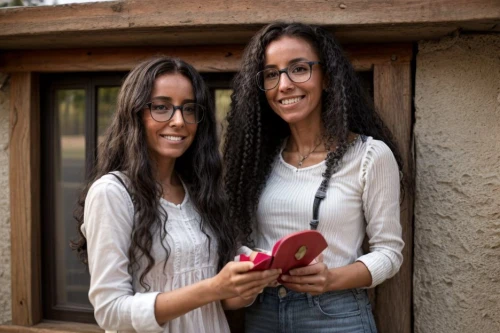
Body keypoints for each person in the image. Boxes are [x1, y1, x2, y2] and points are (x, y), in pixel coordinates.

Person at [72, 57, 280, 333]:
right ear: (134, 114)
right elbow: (111, 312)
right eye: (161, 107)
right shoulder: (113, 193)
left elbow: (225, 301)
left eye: (189, 109)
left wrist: (255, 278)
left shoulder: (200, 191)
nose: (179, 121)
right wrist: (213, 287)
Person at [223, 22, 405, 332]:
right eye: (271, 74)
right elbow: (241, 241)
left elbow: (389, 253)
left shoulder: (369, 155)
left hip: (337, 314)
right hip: (263, 314)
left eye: (299, 69)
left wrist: (332, 279)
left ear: (329, 79)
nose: (284, 85)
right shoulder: (255, 161)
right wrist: (251, 259)